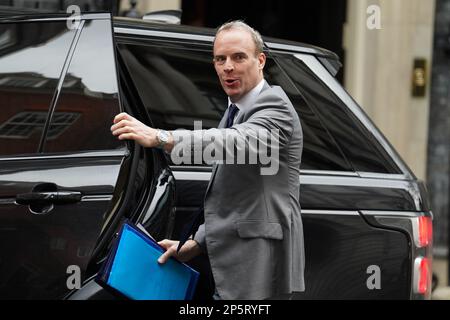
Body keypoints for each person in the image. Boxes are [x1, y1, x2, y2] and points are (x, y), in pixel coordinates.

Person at [111, 21, 305, 300]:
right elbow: (235, 193)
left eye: (239, 57)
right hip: (237, 261)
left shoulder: (275, 107)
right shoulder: (235, 110)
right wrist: (196, 243)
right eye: (220, 59)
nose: (228, 66)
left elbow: (234, 142)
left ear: (260, 60)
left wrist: (161, 137)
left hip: (261, 263)